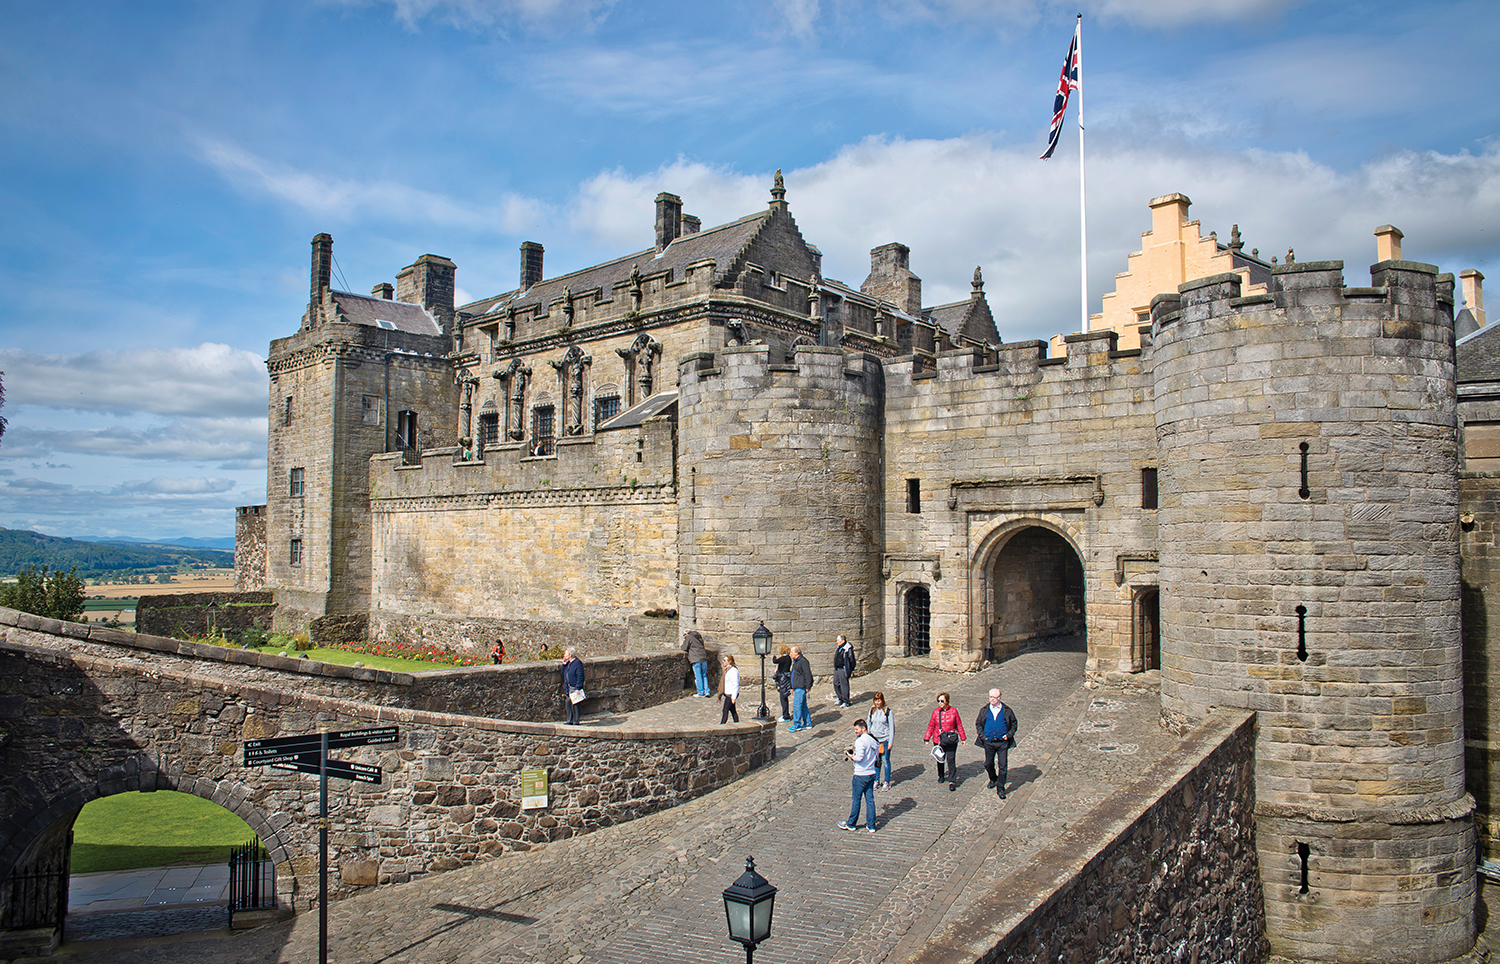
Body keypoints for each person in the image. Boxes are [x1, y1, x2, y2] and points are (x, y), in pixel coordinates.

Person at [975, 688, 1019, 799]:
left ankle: (1000, 788)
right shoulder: (984, 710)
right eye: (990, 697)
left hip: (1002, 743)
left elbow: (1014, 724)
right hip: (989, 742)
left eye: (994, 698)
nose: (992, 699)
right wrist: (983, 737)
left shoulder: (1007, 710)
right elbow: (978, 724)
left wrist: (1008, 735)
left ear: (999, 698)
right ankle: (993, 778)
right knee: (988, 764)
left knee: (1003, 766)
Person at [839, 718, 880, 833]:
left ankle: (851, 823)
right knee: (870, 799)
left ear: (863, 728)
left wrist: (851, 755)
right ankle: (871, 825)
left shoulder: (860, 741)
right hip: (871, 773)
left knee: (856, 800)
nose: (855, 732)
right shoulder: (872, 739)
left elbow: (859, 758)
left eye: (857, 729)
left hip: (861, 774)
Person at [923, 692, 966, 791]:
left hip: (951, 739)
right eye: (938, 701)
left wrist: (963, 738)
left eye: (942, 701)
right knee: (940, 759)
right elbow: (931, 726)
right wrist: (927, 738)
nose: (940, 703)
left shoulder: (954, 711)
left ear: (947, 701)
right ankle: (941, 775)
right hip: (939, 739)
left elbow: (959, 725)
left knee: (951, 759)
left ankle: (952, 780)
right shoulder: (935, 712)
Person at [866, 691, 894, 790]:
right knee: (876, 761)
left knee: (885, 760)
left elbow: (891, 727)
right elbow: (869, 724)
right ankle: (876, 780)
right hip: (875, 740)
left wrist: (891, 741)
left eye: (879, 701)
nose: (877, 703)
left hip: (884, 740)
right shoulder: (872, 710)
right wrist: (868, 737)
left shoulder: (887, 711)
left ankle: (886, 781)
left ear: (882, 701)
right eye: (876, 701)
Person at [789, 645, 813, 731]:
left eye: (792, 652)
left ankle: (797, 724)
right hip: (796, 686)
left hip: (801, 686)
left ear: (797, 652)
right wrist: (792, 687)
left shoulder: (803, 661)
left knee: (797, 706)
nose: (790, 653)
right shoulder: (795, 661)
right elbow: (794, 674)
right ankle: (807, 723)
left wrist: (808, 686)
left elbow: (808, 674)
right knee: (803, 706)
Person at [561, 647, 586, 724]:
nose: (564, 655)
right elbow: (563, 673)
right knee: (568, 704)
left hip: (574, 687)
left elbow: (580, 676)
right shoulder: (568, 663)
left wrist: (578, 687)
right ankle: (569, 720)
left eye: (566, 654)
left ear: (570, 655)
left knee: (575, 705)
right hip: (568, 686)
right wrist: (563, 665)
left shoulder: (577, 663)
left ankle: (576, 721)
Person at [683, 630, 711, 698]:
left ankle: (700, 692)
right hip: (704, 658)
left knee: (698, 676)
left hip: (696, 659)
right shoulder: (699, 637)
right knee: (704, 675)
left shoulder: (689, 637)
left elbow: (684, 647)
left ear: (687, 634)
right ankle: (707, 691)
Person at [832, 634, 855, 707]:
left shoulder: (848, 649)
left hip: (843, 668)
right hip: (837, 668)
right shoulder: (839, 647)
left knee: (844, 685)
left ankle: (846, 701)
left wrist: (849, 670)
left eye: (838, 640)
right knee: (836, 683)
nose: (837, 642)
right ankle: (840, 698)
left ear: (843, 641)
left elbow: (852, 660)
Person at [773, 643, 794, 722]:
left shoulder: (784, 658)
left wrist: (774, 656)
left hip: (783, 679)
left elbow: (775, 661)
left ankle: (786, 716)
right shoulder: (787, 658)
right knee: (784, 697)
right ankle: (785, 714)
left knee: (783, 698)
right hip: (784, 678)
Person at [720, 654, 741, 724]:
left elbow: (735, 684)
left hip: (731, 694)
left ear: (730, 662)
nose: (723, 662)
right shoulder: (727, 670)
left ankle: (722, 725)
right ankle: (737, 723)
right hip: (728, 693)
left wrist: (733, 697)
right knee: (732, 710)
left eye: (725, 660)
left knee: (725, 710)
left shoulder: (733, 671)